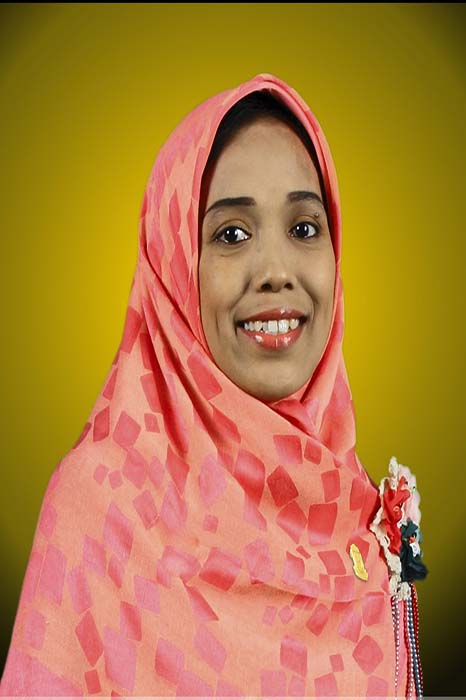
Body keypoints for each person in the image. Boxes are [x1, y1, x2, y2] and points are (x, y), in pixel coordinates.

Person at [0, 72, 427, 697]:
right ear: (173, 268)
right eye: (231, 234)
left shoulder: (351, 510)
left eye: (304, 228)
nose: (276, 271)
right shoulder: (106, 509)